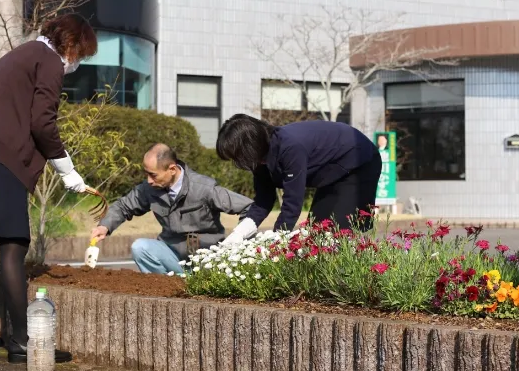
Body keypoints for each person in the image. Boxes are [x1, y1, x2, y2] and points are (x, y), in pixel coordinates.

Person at [0, 13, 98, 364]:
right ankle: (23, 343)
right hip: (1, 159)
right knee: (14, 247)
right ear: (71, 43)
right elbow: (42, 123)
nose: (77, 60)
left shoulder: (21, 54)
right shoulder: (48, 60)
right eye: (80, 52)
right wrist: (68, 170)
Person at [89, 143, 253, 274]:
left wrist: (237, 240)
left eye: (153, 175)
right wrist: (105, 225)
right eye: (146, 174)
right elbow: (124, 205)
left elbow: (249, 207)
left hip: (208, 261)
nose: (149, 180)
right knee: (140, 248)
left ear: (172, 169)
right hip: (173, 255)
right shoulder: (149, 189)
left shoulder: (204, 188)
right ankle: (166, 292)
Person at [216, 114, 382, 243]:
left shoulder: (289, 146)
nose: (236, 162)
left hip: (359, 163)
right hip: (332, 172)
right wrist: (239, 233)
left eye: (236, 156)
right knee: (317, 232)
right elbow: (263, 200)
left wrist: (277, 241)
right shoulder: (259, 161)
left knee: (337, 232)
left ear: (249, 147)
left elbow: (292, 202)